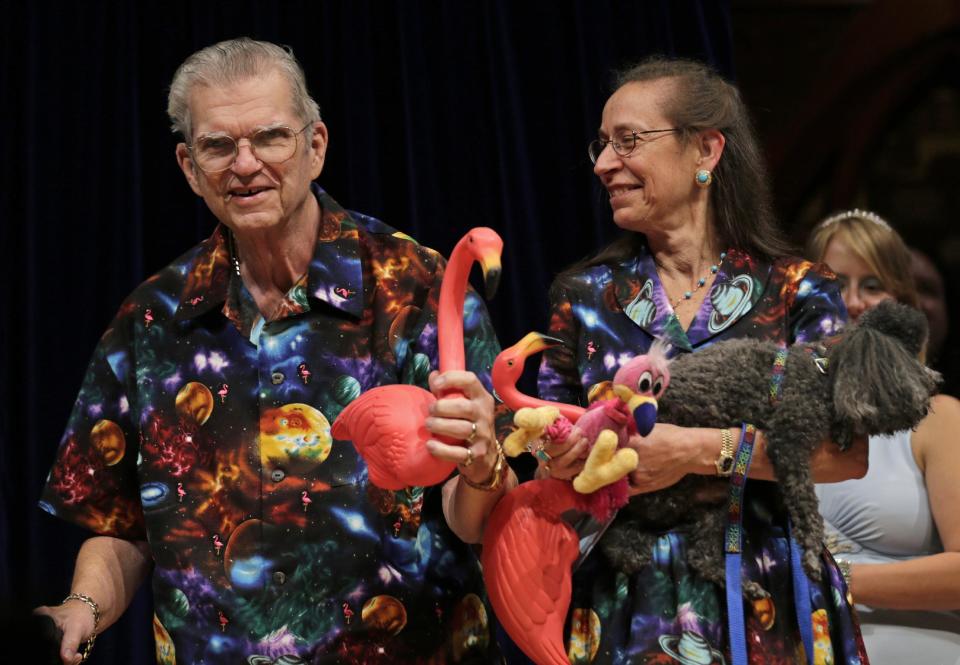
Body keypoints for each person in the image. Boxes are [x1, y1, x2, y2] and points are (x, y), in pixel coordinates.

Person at [32, 37, 510, 665]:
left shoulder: (415, 286)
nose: (245, 163)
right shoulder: (150, 319)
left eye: (271, 137)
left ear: (315, 147)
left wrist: (483, 464)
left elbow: (474, 514)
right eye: (218, 145)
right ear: (188, 166)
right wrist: (83, 607)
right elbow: (121, 525)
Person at [528, 56, 870, 663]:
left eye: (628, 140)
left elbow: (843, 452)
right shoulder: (583, 300)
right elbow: (546, 472)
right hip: (624, 603)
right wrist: (556, 456)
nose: (606, 163)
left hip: (766, 597)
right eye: (602, 145)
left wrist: (694, 451)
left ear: (706, 151)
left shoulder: (798, 293)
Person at [809, 210, 960, 664]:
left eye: (873, 285)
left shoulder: (938, 417)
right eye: (835, 285)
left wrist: (831, 579)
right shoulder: (770, 426)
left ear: (903, 305)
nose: (853, 302)